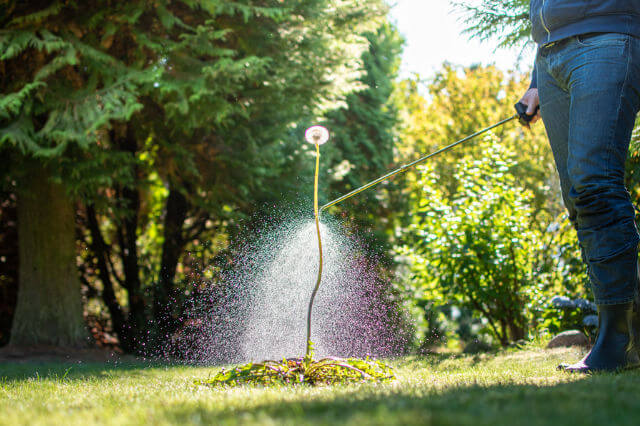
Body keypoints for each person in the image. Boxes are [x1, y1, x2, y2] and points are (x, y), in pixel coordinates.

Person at [519, 0, 640, 372]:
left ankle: (617, 338)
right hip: (551, 56)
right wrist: (537, 82)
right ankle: (630, 332)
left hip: (609, 36)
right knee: (579, 199)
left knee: (595, 185)